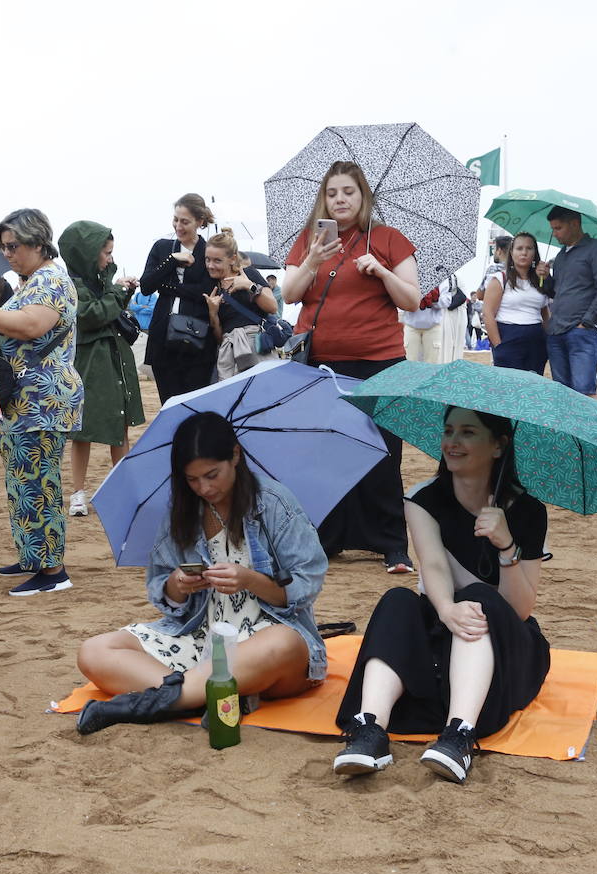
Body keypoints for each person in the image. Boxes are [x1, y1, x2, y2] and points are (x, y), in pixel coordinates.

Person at [74, 411, 327, 734]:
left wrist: (250, 580)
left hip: (266, 639)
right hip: (201, 638)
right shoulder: (184, 510)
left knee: (283, 643)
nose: (204, 488)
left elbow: (307, 583)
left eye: (212, 475)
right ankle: (204, 696)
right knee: (94, 651)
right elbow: (160, 588)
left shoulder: (273, 502)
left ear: (235, 455)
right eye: (192, 480)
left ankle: (152, 702)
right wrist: (177, 584)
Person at [332, 408, 550, 784]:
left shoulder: (528, 510)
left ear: (498, 446)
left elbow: (520, 609)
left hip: (505, 645)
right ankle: (370, 729)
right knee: (398, 600)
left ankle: (459, 735)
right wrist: (447, 608)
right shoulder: (422, 499)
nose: (452, 442)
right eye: (448, 431)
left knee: (480, 597)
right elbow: (431, 566)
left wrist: (506, 546)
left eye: (468, 432)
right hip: (443, 632)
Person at [282, 161, 423, 573]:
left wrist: (379, 270)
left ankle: (392, 545)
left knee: (382, 453)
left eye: (348, 192)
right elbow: (290, 294)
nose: (340, 199)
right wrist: (312, 260)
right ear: (323, 199)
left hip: (380, 362)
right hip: (321, 363)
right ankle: (328, 538)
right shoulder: (310, 240)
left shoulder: (388, 239)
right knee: (325, 453)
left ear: (363, 197)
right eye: (332, 193)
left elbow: (411, 300)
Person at [0, 209, 83, 596]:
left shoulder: (51, 280)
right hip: (23, 400)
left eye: (14, 246)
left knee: (38, 482)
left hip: (42, 399)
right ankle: (33, 557)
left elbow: (31, 325)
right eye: (4, 246)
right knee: (22, 481)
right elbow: (15, 326)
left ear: (39, 243)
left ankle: (52, 570)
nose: (7, 253)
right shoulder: (32, 280)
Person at [59, 219, 146, 517]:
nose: (110, 258)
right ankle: (78, 493)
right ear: (88, 252)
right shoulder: (73, 284)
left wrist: (119, 290)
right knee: (82, 429)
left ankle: (121, 488)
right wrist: (118, 294)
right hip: (88, 360)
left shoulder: (99, 279)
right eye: (106, 253)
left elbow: (106, 307)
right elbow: (91, 315)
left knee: (119, 424)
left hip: (112, 357)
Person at [140, 194, 216, 403]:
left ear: (200, 222)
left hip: (198, 339)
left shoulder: (209, 252)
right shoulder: (163, 248)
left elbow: (205, 292)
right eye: (176, 220)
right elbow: (146, 286)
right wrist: (172, 261)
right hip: (163, 338)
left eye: (185, 221)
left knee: (195, 404)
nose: (178, 226)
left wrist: (167, 287)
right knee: (168, 403)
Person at [540, 207, 597, 395]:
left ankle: (586, 426)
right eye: (553, 228)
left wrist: (587, 322)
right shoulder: (561, 256)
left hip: (582, 332)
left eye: (558, 228)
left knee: (583, 393)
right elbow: (556, 292)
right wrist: (546, 277)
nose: (554, 233)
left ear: (574, 224)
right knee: (561, 393)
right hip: (557, 331)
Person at [202, 228, 281, 379]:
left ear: (232, 259)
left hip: (256, 347)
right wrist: (213, 313)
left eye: (217, 260)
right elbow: (220, 338)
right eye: (207, 259)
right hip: (229, 352)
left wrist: (249, 286)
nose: (210, 265)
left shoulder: (248, 274)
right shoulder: (212, 288)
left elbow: (272, 307)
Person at [483, 232, 551, 374]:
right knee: (508, 388)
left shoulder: (540, 281)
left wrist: (549, 337)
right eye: (519, 248)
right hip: (508, 335)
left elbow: (545, 312)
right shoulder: (500, 278)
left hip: (536, 339)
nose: (524, 253)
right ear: (511, 252)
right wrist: (498, 345)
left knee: (533, 386)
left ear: (535, 253)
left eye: (529, 248)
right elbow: (488, 313)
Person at [401, 285, 445, 363]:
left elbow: (446, 302)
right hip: (411, 326)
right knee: (409, 360)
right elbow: (400, 301)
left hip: (432, 327)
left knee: (432, 362)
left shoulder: (440, 279)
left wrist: (434, 300)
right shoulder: (407, 277)